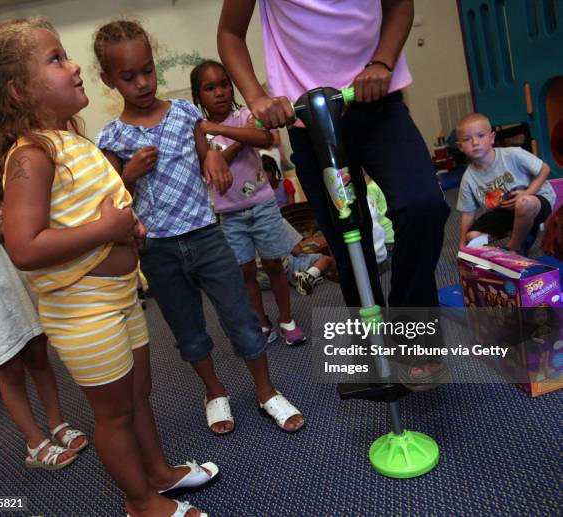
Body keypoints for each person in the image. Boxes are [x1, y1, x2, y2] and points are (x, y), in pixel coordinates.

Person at [0, 19, 216, 517]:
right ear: (18, 90)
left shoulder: (70, 142)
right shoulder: (32, 156)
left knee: (139, 397)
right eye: (56, 59)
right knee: (115, 415)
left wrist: (128, 226)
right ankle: (140, 501)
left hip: (120, 297)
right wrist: (107, 230)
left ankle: (160, 474)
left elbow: (93, 210)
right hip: (84, 312)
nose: (75, 64)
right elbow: (25, 246)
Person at [93, 21, 304, 438]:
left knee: (242, 318)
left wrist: (212, 159)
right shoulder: (111, 137)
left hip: (207, 235)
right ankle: (214, 391)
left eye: (148, 71)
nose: (142, 83)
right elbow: (114, 204)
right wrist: (129, 176)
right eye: (128, 77)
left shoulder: (187, 113)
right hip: (157, 248)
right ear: (108, 80)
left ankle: (265, 389)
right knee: (188, 331)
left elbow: (209, 151)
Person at [218, 0, 450, 311]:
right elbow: (230, 33)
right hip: (310, 118)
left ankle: (410, 323)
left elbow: (398, 5)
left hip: (376, 99)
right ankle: (370, 341)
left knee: (423, 205)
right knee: (347, 241)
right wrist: (257, 97)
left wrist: (381, 62)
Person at [0, 114, 87, 466]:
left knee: (40, 357)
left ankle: (58, 422)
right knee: (9, 369)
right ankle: (34, 441)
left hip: (21, 288)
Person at [190, 59, 306, 346]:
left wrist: (228, 134)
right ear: (198, 96)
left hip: (262, 204)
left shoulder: (244, 115)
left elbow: (265, 138)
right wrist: (238, 142)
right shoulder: (200, 132)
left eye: (224, 85)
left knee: (274, 266)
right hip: (230, 214)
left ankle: (286, 319)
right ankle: (262, 321)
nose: (219, 92)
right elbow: (211, 166)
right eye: (209, 88)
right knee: (245, 273)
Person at [455, 113, 555, 255]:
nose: (475, 142)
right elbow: (468, 213)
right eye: (467, 139)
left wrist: (528, 192)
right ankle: (521, 232)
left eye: (480, 136)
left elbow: (545, 169)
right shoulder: (468, 178)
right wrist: (462, 243)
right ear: (460, 146)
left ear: (492, 138)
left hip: (536, 201)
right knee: (473, 236)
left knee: (524, 202)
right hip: (505, 211)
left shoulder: (513, 154)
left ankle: (513, 248)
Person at [364, 171, 395, 256]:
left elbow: (371, 215)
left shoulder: (370, 188)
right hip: (393, 233)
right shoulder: (380, 184)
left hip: (385, 237)